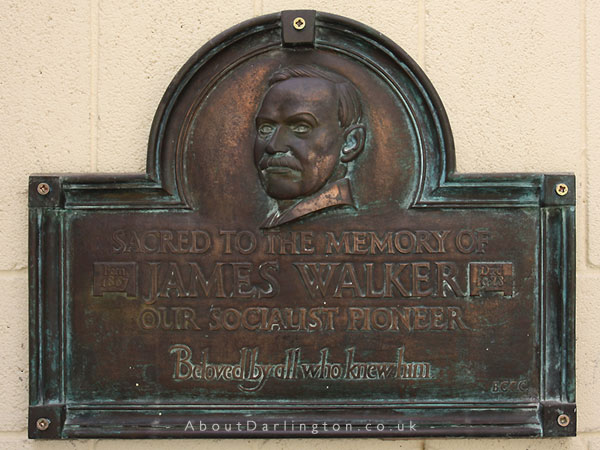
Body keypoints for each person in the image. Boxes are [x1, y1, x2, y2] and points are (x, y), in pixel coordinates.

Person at [254, 65, 366, 228]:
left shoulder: (344, 224)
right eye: (265, 128)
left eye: (301, 127)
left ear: (351, 143)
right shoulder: (272, 222)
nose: (273, 146)